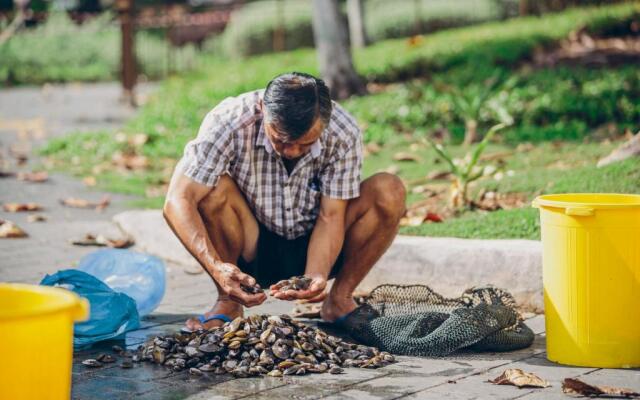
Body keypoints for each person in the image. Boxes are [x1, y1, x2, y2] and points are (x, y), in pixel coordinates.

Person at [163, 72, 406, 331]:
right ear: (262, 110)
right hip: (249, 245)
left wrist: (316, 274)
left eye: (306, 145)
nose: (291, 151)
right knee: (211, 188)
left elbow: (331, 216)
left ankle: (339, 300)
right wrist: (217, 267)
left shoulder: (342, 130)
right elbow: (178, 199)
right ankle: (228, 302)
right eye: (280, 139)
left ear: (324, 123)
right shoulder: (228, 121)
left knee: (388, 190)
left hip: (319, 241)